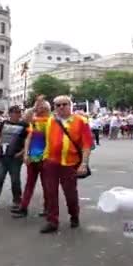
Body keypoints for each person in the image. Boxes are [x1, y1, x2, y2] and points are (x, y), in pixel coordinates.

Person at [40, 95, 92, 234]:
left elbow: (87, 145)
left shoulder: (81, 121)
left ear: (70, 105)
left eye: (64, 104)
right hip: (51, 163)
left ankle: (74, 215)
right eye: (58, 105)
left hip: (70, 164)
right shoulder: (50, 120)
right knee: (51, 193)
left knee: (70, 194)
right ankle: (52, 221)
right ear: (54, 107)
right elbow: (30, 119)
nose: (61, 107)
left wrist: (84, 164)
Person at [13, 98, 51, 218]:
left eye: (41, 107)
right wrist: (26, 154)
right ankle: (23, 207)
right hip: (32, 157)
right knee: (29, 184)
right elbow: (28, 137)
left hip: (45, 158)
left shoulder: (52, 121)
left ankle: (48, 208)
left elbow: (51, 141)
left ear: (46, 109)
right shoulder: (34, 121)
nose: (38, 109)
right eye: (37, 107)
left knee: (47, 185)